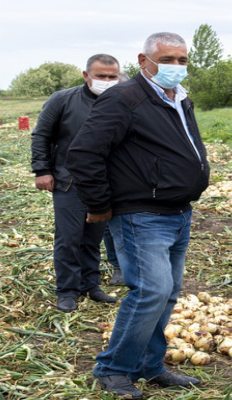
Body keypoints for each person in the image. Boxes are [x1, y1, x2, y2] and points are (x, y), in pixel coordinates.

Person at [66, 32, 210, 399]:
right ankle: (113, 369)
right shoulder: (124, 97)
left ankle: (149, 365)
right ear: (144, 61)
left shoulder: (180, 97)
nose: (175, 67)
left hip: (178, 211)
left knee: (167, 293)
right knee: (150, 291)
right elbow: (84, 153)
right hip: (141, 213)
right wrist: (99, 205)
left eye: (181, 60)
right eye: (167, 60)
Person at [31, 54, 122, 313]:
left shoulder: (121, 101)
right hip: (68, 181)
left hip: (105, 182)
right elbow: (41, 135)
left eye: (111, 77)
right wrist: (42, 170)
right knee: (69, 238)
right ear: (86, 75)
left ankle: (90, 285)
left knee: (93, 238)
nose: (106, 81)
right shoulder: (63, 99)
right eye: (100, 76)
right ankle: (67, 290)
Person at [105, 71, 130, 287]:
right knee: (107, 225)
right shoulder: (98, 111)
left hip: (130, 179)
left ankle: (130, 265)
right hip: (103, 179)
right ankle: (118, 266)